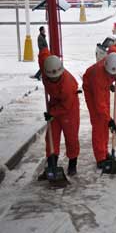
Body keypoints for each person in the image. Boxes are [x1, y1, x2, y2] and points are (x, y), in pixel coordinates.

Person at [37, 49, 80, 179]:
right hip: (54, 104)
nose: (54, 79)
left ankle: (72, 164)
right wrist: (43, 48)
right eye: (52, 77)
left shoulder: (68, 84)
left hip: (69, 109)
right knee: (51, 137)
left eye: (56, 77)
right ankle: (51, 166)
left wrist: (52, 113)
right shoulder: (46, 67)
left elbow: (66, 105)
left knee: (71, 137)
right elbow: (43, 55)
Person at [83, 52, 116, 169]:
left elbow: (114, 73)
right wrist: (110, 120)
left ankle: (104, 152)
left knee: (104, 120)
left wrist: (110, 81)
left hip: (103, 84)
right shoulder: (98, 78)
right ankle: (100, 158)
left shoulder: (115, 62)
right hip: (91, 88)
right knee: (99, 122)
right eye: (112, 75)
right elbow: (100, 106)